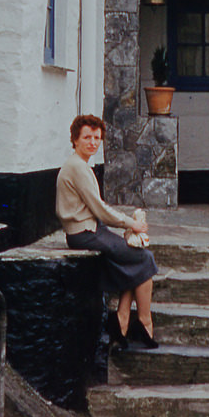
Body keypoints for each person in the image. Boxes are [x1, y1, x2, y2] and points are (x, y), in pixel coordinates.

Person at [56, 114, 158, 348]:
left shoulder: (81, 165)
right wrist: (130, 224)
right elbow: (99, 209)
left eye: (97, 138)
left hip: (90, 230)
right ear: (75, 140)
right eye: (87, 137)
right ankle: (144, 321)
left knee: (135, 258)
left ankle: (122, 319)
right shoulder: (77, 168)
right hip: (85, 234)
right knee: (145, 258)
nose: (92, 142)